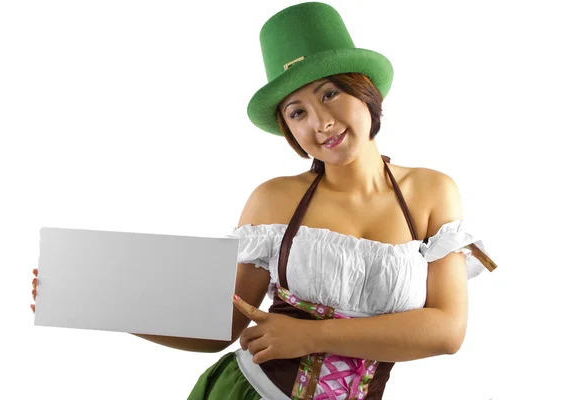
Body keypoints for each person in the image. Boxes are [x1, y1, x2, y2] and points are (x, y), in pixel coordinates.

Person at [31, 2, 498, 399]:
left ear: (366, 92)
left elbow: (447, 331)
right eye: (298, 112)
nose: (322, 123)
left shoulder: (433, 192)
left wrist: (308, 336)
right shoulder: (273, 200)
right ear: (289, 130)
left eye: (330, 93)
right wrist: (101, 302)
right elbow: (222, 326)